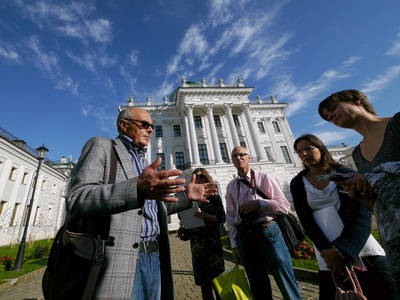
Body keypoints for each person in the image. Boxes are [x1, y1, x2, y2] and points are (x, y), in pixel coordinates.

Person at [66, 107, 217, 300]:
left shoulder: (144, 162)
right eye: (145, 125)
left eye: (152, 126)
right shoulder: (102, 146)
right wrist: (135, 188)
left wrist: (186, 196)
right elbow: (77, 198)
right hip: (120, 259)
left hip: (154, 256)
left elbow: (153, 209)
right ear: (124, 125)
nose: (151, 130)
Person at [290, 134, 398, 300]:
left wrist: (342, 251)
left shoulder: (345, 174)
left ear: (320, 149)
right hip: (327, 254)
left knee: (384, 291)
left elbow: (361, 216)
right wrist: (328, 252)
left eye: (308, 149)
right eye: (299, 151)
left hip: (360, 247)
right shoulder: (298, 183)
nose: (303, 154)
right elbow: (307, 221)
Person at [318, 89, 400, 291]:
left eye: (333, 109)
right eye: (327, 118)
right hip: (394, 235)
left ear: (357, 101)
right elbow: (377, 201)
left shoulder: (396, 124)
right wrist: (362, 195)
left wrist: (371, 178)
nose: (331, 117)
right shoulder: (357, 154)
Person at [225, 146, 302, 300]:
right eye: (234, 156)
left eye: (242, 155)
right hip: (245, 235)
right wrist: (234, 245)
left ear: (249, 158)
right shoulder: (232, 185)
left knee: (283, 274)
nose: (238, 158)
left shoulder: (264, 178)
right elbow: (231, 218)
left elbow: (284, 206)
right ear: (231, 160)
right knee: (256, 280)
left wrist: (260, 204)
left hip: (267, 230)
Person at [185, 168, 226, 300]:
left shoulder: (214, 196)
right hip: (197, 244)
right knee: (204, 284)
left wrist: (204, 216)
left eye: (200, 176)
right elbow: (183, 218)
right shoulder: (190, 198)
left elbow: (221, 218)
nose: (198, 179)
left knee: (218, 281)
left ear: (206, 177)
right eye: (195, 177)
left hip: (212, 242)